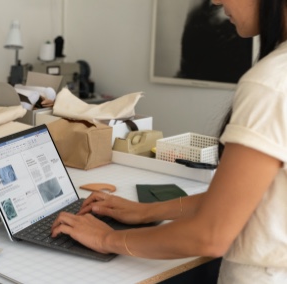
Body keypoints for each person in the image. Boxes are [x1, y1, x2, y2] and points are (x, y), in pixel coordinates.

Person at [51, 0, 287, 282]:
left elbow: (211, 235)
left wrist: (107, 238)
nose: (215, 1)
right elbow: (250, 200)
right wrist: (145, 212)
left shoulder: (271, 83)